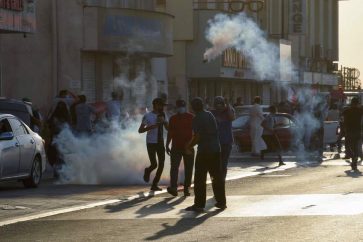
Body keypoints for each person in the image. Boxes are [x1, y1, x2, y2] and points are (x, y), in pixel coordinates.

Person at [185, 97, 226, 212]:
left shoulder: (197, 118)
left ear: (193, 107)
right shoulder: (209, 115)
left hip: (204, 151)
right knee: (217, 177)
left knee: (200, 179)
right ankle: (221, 202)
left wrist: (189, 146)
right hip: (215, 150)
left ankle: (199, 205)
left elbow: (197, 137)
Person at [138, 98, 169, 191]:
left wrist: (164, 122)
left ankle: (154, 184)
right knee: (154, 164)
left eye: (163, 106)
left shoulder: (163, 115)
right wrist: (150, 127)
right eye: (161, 105)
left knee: (162, 164)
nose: (162, 107)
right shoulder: (147, 116)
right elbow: (140, 130)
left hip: (160, 142)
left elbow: (168, 129)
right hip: (151, 142)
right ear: (155, 105)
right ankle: (147, 171)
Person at [166, 99, 194, 197]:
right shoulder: (173, 118)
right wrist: (167, 144)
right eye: (179, 106)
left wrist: (191, 144)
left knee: (188, 168)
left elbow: (195, 133)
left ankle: (186, 188)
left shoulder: (191, 117)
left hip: (189, 147)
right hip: (176, 147)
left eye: (182, 106)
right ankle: (174, 187)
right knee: (174, 168)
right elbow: (170, 133)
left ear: (185, 107)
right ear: (176, 108)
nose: (181, 108)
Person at [211, 96, 235, 179]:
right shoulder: (212, 113)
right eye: (217, 104)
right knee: (215, 163)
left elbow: (232, 117)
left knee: (224, 163)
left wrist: (228, 105)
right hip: (215, 142)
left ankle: (222, 179)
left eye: (221, 104)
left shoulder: (228, 111)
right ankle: (216, 178)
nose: (219, 106)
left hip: (226, 141)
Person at [47, 101, 71, 176]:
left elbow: (50, 124)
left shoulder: (57, 116)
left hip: (59, 138)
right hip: (58, 138)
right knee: (59, 155)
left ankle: (60, 171)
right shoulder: (64, 116)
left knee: (59, 155)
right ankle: (59, 171)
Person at [342, 97, 363, 171]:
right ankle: (355, 159)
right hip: (358, 131)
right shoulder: (360, 111)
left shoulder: (347, 111)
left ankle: (354, 158)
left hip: (349, 131)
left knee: (349, 146)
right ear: (357, 103)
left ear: (351, 103)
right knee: (356, 147)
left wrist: (343, 130)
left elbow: (344, 121)